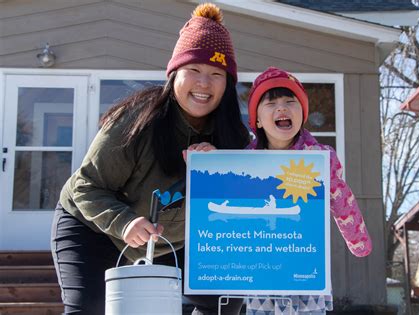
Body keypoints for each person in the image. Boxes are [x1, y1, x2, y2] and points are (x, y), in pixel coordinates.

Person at [50, 3, 249, 314]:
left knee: (226, 299)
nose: (204, 84)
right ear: (174, 74)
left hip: (174, 241)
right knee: (87, 309)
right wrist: (124, 221)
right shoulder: (136, 121)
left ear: (227, 84)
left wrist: (220, 171)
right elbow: (87, 187)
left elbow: (244, 206)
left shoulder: (235, 139)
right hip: (94, 227)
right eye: (193, 70)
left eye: (216, 74)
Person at [244, 67, 373, 315]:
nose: (282, 108)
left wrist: (358, 241)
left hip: (305, 266)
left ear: (302, 114)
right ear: (257, 119)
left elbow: (341, 197)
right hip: (261, 269)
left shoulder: (318, 157)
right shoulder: (245, 162)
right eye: (271, 103)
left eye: (290, 102)